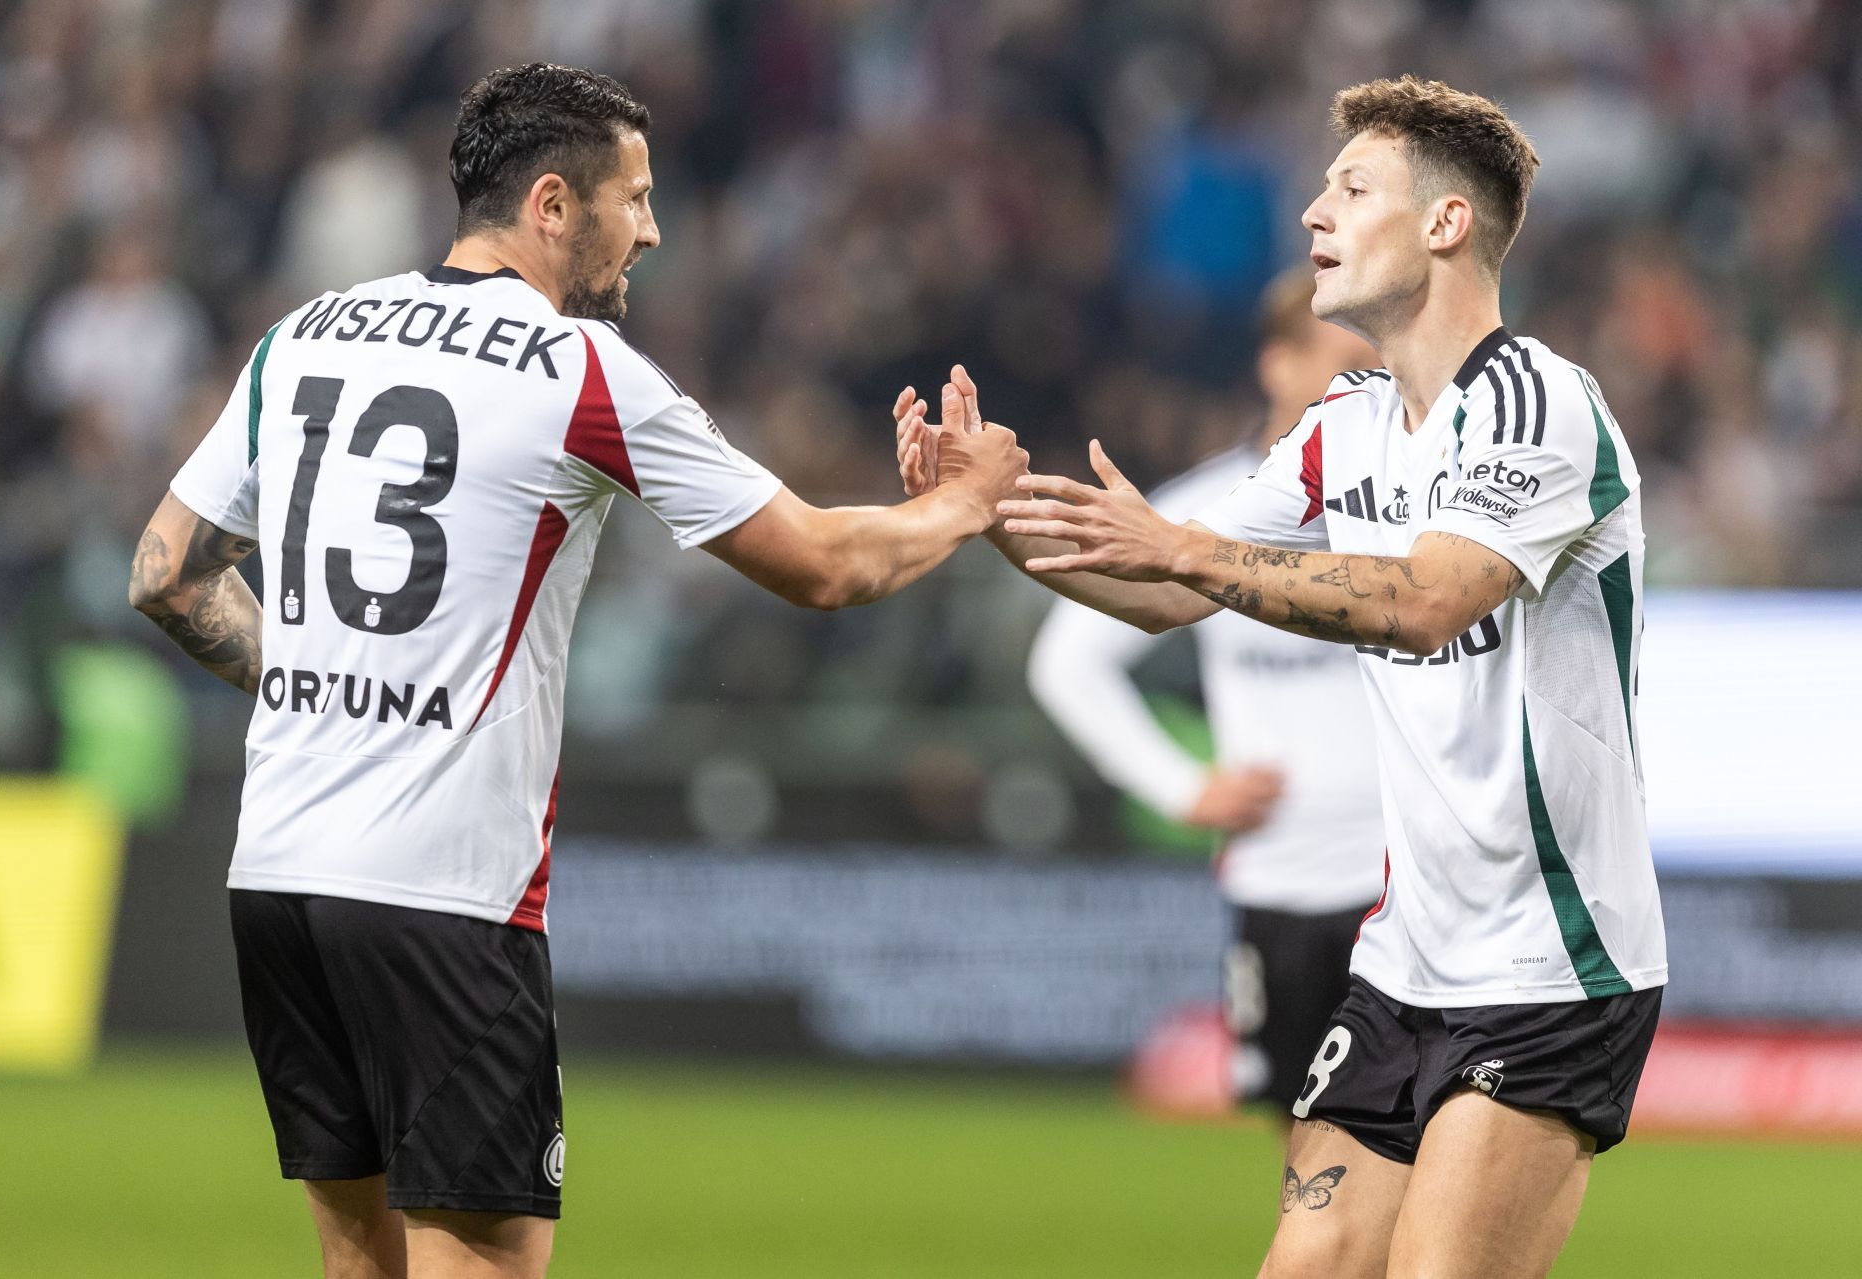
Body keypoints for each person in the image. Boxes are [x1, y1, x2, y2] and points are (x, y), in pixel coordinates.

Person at [129, 63, 1025, 1279]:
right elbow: (823, 563)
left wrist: (327, 686)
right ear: (553, 204)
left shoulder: (307, 336)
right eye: (635, 199)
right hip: (445, 894)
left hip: (279, 874)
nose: (652, 230)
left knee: (358, 1261)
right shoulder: (577, 369)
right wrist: (967, 506)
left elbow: (167, 571)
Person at [898, 76, 1663, 1277]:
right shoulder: (1344, 420)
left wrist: (1187, 544)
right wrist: (989, 515)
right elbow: (1162, 591)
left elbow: (1426, 600)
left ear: (1445, 225)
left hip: (1550, 963)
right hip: (1404, 957)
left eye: (1352, 188)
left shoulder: (1535, 403)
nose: (1314, 211)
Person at [1025, 266, 1383, 1124]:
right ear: (1277, 364)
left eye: (1372, 365)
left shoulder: (1405, 511)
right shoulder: (1203, 513)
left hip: (1401, 880)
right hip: (1281, 873)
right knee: (1307, 1151)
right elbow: (1066, 662)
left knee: (1412, 1144)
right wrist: (1182, 785)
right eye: (1340, 360)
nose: (1359, 385)